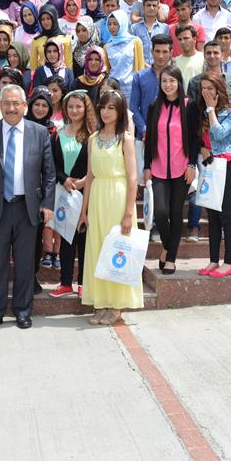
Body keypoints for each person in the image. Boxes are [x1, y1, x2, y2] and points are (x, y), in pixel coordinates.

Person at [0, 84, 56, 332]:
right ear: (0, 105)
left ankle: (22, 311)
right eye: (6, 103)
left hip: (27, 209)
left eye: (16, 103)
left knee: (25, 264)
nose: (11, 108)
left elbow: (49, 173)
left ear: (24, 106)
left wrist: (47, 203)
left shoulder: (39, 133)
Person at [78, 89, 141, 325]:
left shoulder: (126, 139)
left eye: (111, 108)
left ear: (120, 111)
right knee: (97, 250)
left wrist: (128, 213)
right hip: (97, 198)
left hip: (118, 197)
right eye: (103, 107)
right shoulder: (93, 139)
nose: (105, 112)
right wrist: (83, 210)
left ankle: (116, 305)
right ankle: (101, 302)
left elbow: (133, 178)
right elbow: (90, 176)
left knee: (117, 250)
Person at [142, 67, 198, 276]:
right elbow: (149, 140)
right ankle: (168, 247)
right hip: (158, 169)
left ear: (179, 82)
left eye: (172, 81)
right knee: (161, 212)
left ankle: (171, 258)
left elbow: (194, 139)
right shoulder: (154, 106)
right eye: (164, 81)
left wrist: (192, 165)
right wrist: (146, 166)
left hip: (181, 168)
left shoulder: (189, 106)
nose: (168, 85)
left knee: (175, 213)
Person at [48, 89, 95, 298]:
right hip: (65, 191)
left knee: (83, 238)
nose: (74, 110)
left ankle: (83, 283)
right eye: (70, 107)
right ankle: (65, 282)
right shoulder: (58, 133)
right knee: (66, 238)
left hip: (87, 192)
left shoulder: (93, 134)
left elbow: (96, 163)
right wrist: (63, 179)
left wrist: (85, 180)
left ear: (86, 108)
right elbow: (52, 164)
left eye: (78, 106)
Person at [195, 73, 231, 278]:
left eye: (210, 88)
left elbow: (219, 133)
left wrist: (211, 109)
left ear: (219, 89)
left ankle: (229, 263)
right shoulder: (201, 112)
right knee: (212, 216)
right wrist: (201, 149)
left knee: (225, 214)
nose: (206, 92)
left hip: (227, 166)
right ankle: (214, 260)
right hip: (209, 166)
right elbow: (199, 139)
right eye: (203, 88)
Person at [26, 88, 58, 291]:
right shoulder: (21, 125)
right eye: (36, 104)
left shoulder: (53, 131)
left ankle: (32, 276)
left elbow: (52, 166)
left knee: (36, 239)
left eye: (44, 105)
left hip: (42, 192)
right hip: (22, 190)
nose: (39, 108)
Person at [131, 33, 173, 146]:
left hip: (170, 136)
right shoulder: (139, 77)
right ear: (151, 52)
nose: (160, 56)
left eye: (165, 52)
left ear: (171, 53)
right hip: (144, 137)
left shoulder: (176, 78)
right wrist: (144, 128)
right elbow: (133, 107)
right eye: (157, 51)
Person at [102, 10, 146, 108]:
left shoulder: (135, 42)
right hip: (114, 90)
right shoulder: (107, 46)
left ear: (122, 24)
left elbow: (140, 67)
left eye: (115, 24)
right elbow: (108, 70)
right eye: (109, 24)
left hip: (131, 89)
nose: (112, 27)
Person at [31, 3, 73, 72]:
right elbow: (33, 67)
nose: (45, 22)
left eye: (48, 18)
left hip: (61, 75)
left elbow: (69, 65)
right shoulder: (36, 40)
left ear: (54, 18)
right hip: (42, 75)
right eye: (43, 19)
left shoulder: (66, 39)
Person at [130, 0, 170, 64]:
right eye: (148, 5)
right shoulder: (134, 28)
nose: (151, 8)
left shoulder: (165, 28)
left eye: (154, 5)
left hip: (160, 66)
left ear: (158, 8)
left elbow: (167, 49)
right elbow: (132, 50)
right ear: (143, 8)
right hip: (140, 66)